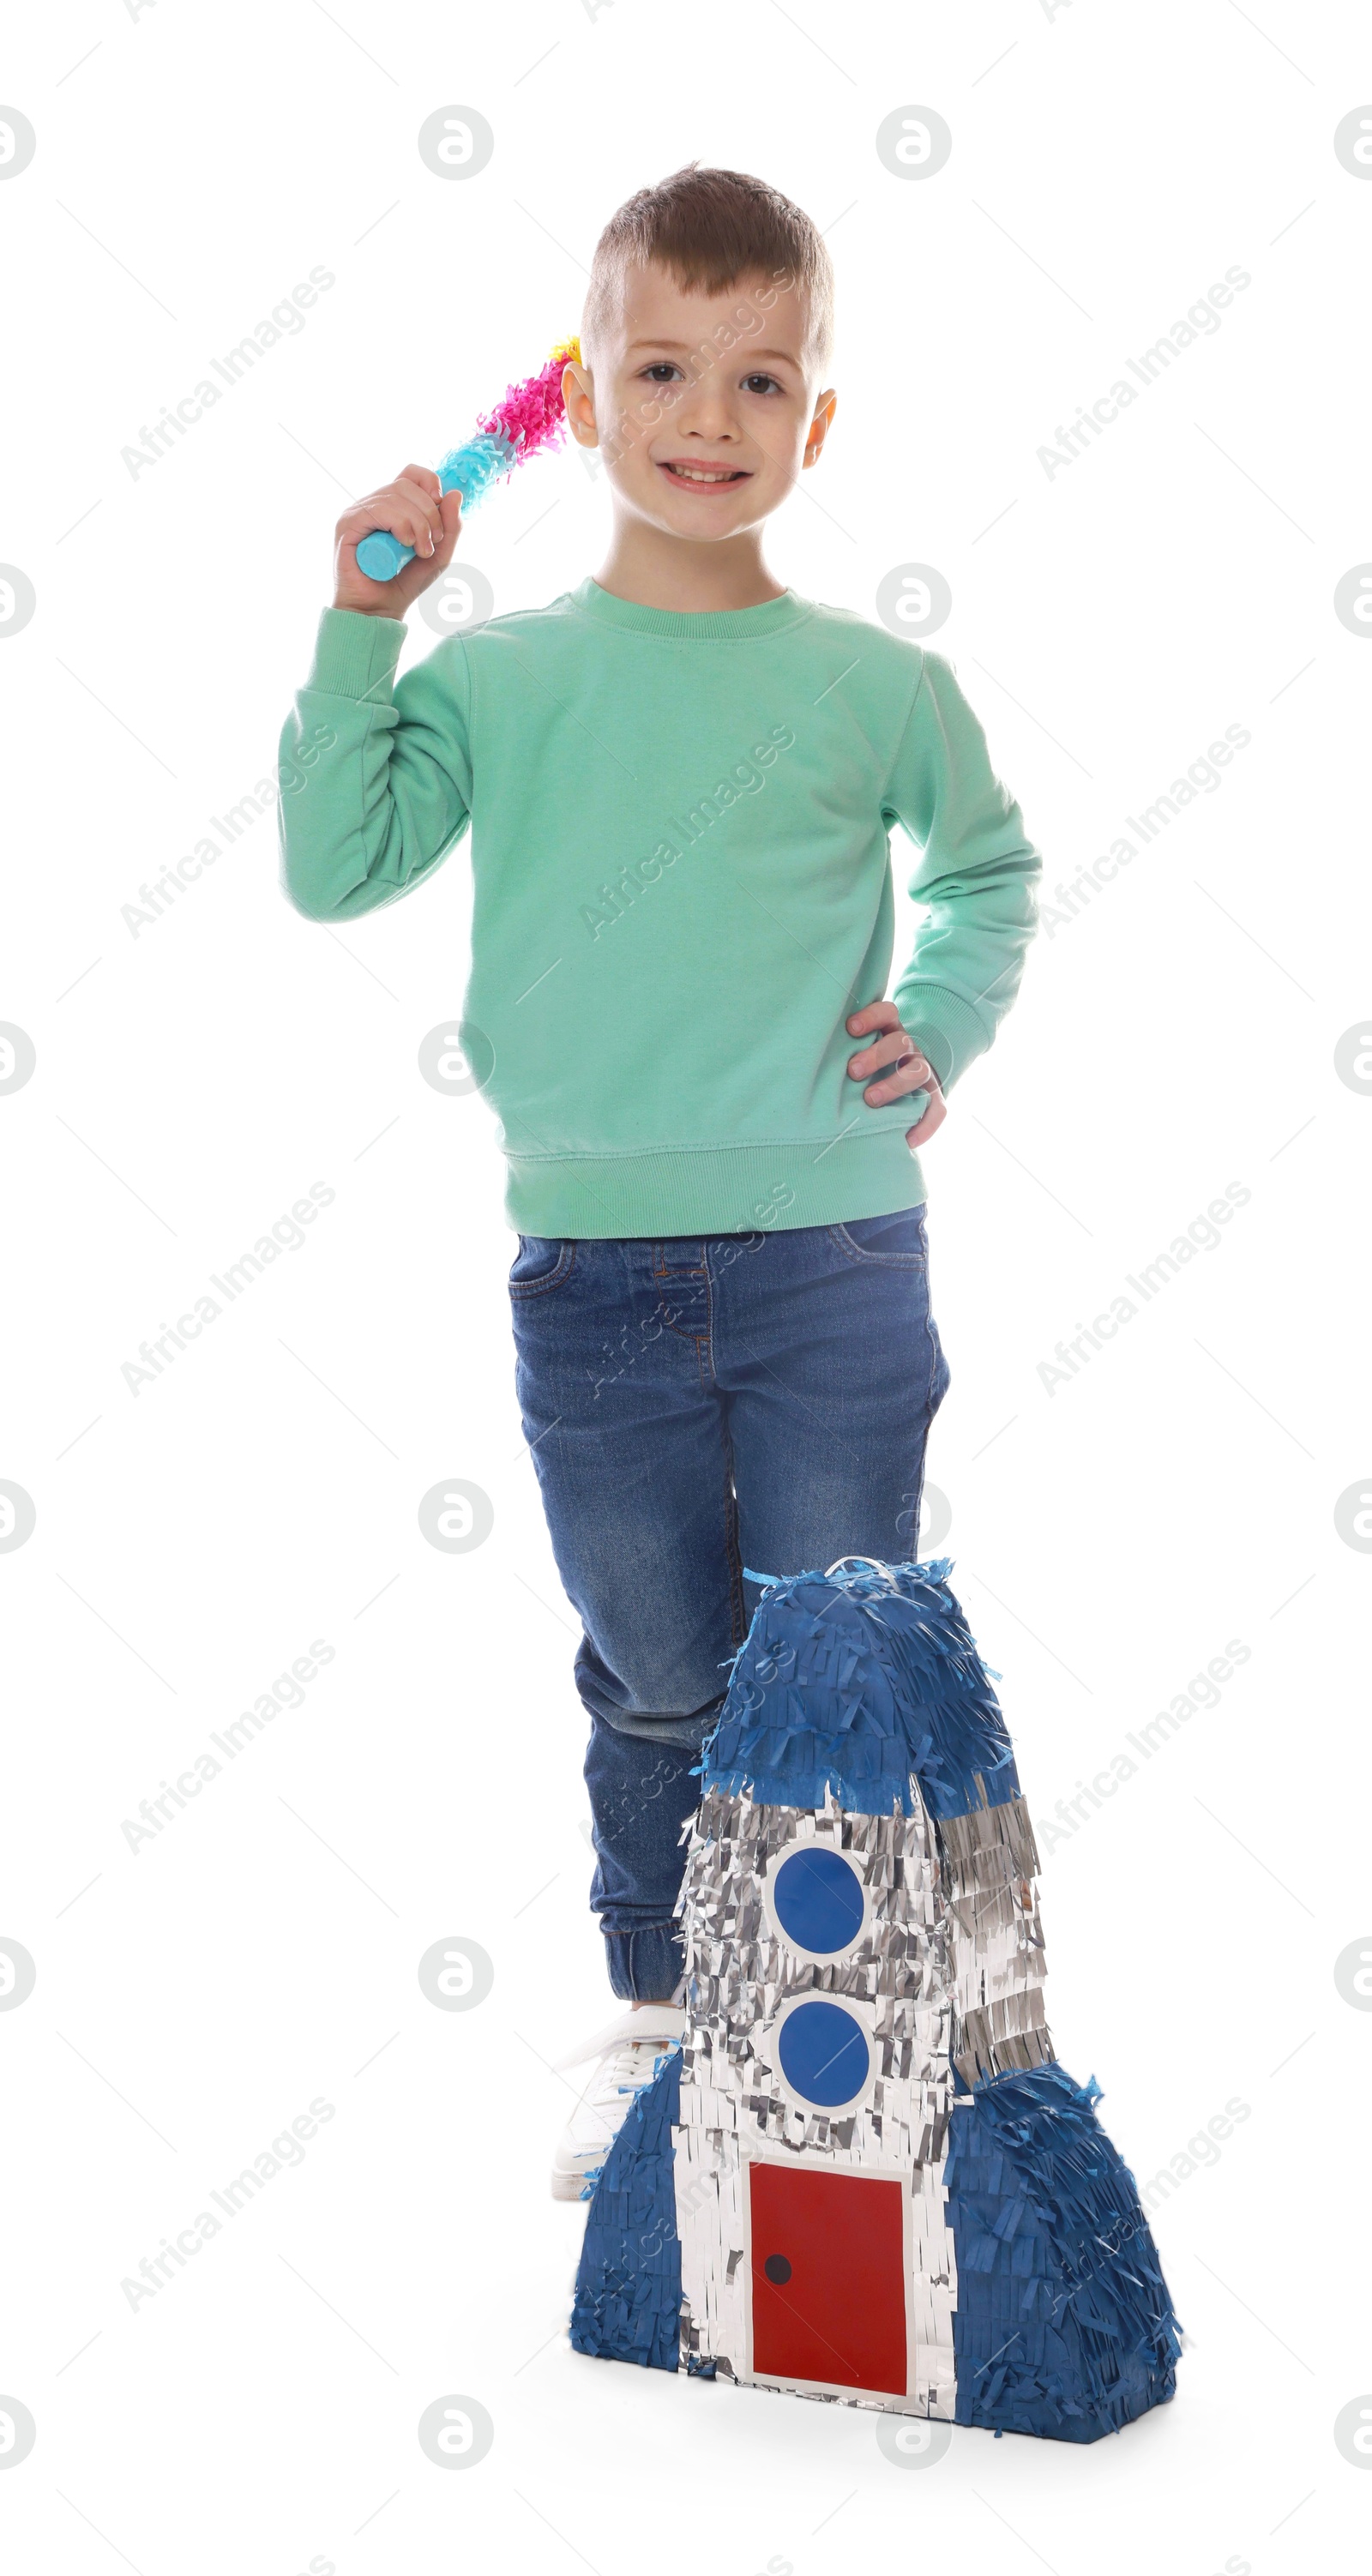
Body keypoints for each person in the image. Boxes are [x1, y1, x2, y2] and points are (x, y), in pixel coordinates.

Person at [278, 165, 1042, 2199]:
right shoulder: (504, 678)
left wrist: (939, 1019)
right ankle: (660, 2018)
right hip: (593, 1273)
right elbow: (330, 862)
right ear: (588, 399)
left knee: (833, 1642)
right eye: (662, 367)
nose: (710, 412)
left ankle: (858, 2026)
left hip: (836, 1251)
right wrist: (364, 628)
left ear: (816, 424)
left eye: (761, 376)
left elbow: (988, 868)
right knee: (657, 1672)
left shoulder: (877, 684)